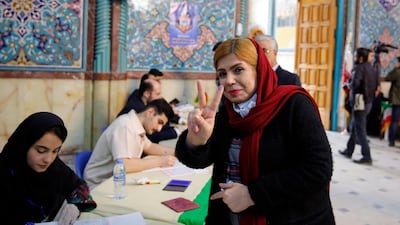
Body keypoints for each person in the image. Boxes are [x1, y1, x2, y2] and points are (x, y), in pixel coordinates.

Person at [175, 38, 335, 225]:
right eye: (222, 73)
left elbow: (318, 169)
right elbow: (201, 161)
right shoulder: (228, 113)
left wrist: (252, 194)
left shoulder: (293, 105)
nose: (229, 81)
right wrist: (196, 141)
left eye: (238, 70)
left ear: (258, 69)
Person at [0, 112, 96, 225]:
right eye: (41, 150)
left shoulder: (55, 168)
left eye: (55, 151)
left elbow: (79, 186)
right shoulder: (5, 173)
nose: (48, 159)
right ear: (24, 145)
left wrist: (75, 205)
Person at [84, 98, 177, 189]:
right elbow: (125, 165)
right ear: (150, 112)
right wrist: (160, 161)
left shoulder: (136, 124)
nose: (159, 129)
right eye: (159, 122)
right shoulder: (125, 126)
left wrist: (180, 152)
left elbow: (149, 147)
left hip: (116, 181)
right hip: (99, 185)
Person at [339, 48, 379, 164]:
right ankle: (349, 150)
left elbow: (355, 84)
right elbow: (376, 85)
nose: (355, 58)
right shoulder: (373, 69)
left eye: (356, 56)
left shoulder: (358, 68)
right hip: (368, 102)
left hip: (359, 102)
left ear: (361, 58)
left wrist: (348, 84)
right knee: (354, 126)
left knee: (360, 130)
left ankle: (367, 156)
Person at [117, 73, 181, 143]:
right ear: (146, 94)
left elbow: (159, 121)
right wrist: (175, 131)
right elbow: (150, 136)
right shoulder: (137, 109)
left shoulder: (141, 99)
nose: (160, 97)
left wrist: (175, 128)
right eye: (157, 94)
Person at [384, 57, 400, 146]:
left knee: (394, 121)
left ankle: (392, 141)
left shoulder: (397, 72)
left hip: (397, 101)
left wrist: (395, 68)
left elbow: (387, 78)